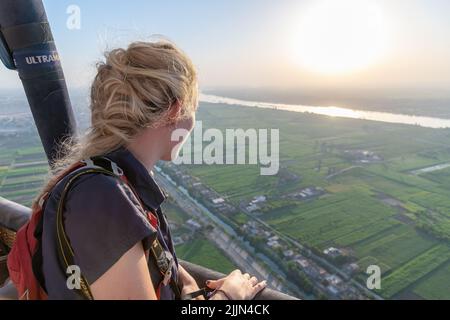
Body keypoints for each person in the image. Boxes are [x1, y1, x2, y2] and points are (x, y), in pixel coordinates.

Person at [36, 40, 266, 300]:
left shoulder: (115, 184)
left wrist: (187, 288)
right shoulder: (102, 197)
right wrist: (228, 297)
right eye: (194, 109)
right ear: (175, 111)